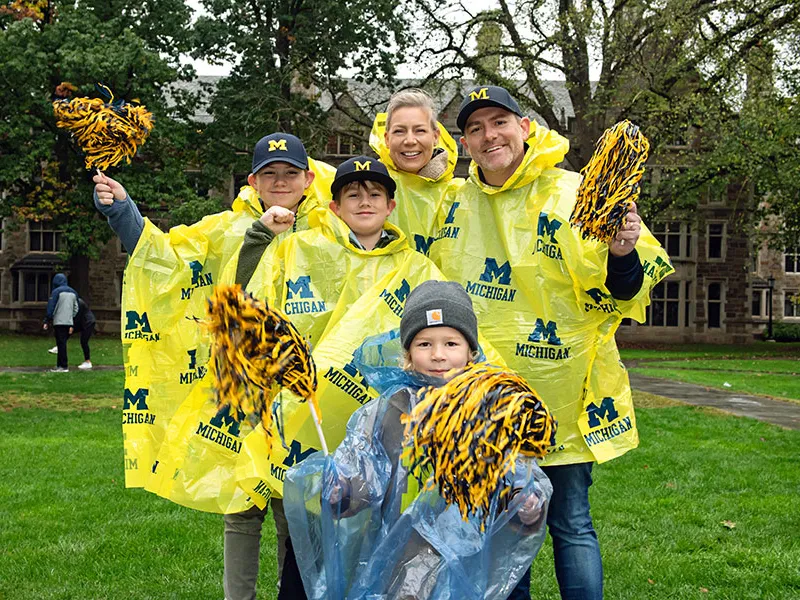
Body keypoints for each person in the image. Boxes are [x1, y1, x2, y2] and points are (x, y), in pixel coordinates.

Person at [150, 156, 448, 600]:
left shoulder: (419, 270)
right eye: (352, 194)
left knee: (362, 526)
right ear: (333, 206)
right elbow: (253, 312)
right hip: (297, 416)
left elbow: (443, 341)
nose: (363, 202)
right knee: (296, 522)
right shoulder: (298, 252)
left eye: (374, 195)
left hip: (382, 426)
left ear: (391, 206)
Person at [429, 85, 673, 600]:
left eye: (499, 121)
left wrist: (623, 250)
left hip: (564, 392)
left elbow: (624, 284)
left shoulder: (572, 193)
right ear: (464, 144)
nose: (488, 135)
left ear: (525, 128)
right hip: (482, 400)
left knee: (570, 524)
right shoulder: (452, 202)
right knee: (499, 531)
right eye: (474, 128)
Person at [282, 280, 553, 599]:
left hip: (470, 556)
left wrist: (525, 506)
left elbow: (515, 477)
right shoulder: (387, 411)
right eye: (425, 344)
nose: (438, 355)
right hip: (401, 556)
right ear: (408, 352)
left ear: (471, 352)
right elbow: (364, 475)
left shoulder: (491, 412)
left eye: (451, 344)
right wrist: (344, 491)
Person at [93, 133, 335, 490]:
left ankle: (292, 548)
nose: (280, 181)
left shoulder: (331, 228)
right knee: (240, 497)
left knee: (297, 492)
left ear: (308, 178)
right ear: (252, 182)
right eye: (269, 174)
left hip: (305, 377)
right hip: (242, 374)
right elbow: (166, 256)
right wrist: (122, 209)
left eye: (290, 172)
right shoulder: (225, 228)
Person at [368, 88, 463, 254]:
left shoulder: (459, 195)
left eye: (420, 130)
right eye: (399, 131)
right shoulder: (365, 186)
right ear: (387, 139)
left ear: (435, 136)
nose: (410, 140)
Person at [43, 273, 79, 373]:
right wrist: (71, 317)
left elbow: (51, 307)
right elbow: (76, 308)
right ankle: (60, 365)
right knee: (62, 343)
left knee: (61, 343)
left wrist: (47, 319)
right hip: (69, 321)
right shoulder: (73, 292)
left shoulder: (56, 292)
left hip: (59, 321)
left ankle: (63, 366)